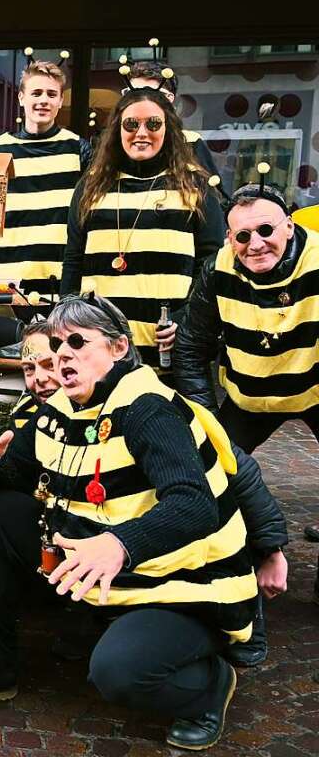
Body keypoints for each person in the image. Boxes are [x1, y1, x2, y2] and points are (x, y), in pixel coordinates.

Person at [0, 294, 257, 751]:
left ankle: (210, 685)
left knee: (118, 673)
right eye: (56, 347)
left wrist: (119, 544)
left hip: (182, 586)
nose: (63, 356)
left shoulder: (148, 409)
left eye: (78, 342)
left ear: (119, 348)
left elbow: (194, 505)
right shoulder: (61, 406)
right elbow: (21, 474)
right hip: (108, 569)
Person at [174, 176, 316, 612]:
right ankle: (236, 565)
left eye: (267, 230)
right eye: (243, 235)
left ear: (289, 227)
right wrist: (206, 418)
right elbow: (192, 346)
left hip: (314, 388)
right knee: (213, 471)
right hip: (248, 392)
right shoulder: (217, 269)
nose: (256, 244)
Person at [62, 88, 225, 371]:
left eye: (153, 124)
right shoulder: (89, 186)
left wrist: (188, 318)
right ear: (117, 129)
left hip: (172, 351)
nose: (141, 133)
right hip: (101, 349)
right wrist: (67, 322)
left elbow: (211, 265)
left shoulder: (196, 185)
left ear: (169, 128)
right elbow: (74, 260)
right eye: (131, 124)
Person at [0, 59, 91, 294]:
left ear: (61, 101)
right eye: (36, 93)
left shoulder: (77, 148)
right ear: (21, 98)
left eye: (51, 94)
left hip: (58, 280)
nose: (43, 100)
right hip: (0, 281)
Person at [124, 59, 220, 178]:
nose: (141, 100)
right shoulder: (105, 145)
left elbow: (211, 193)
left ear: (169, 99)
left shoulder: (190, 143)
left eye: (152, 94)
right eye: (132, 94)